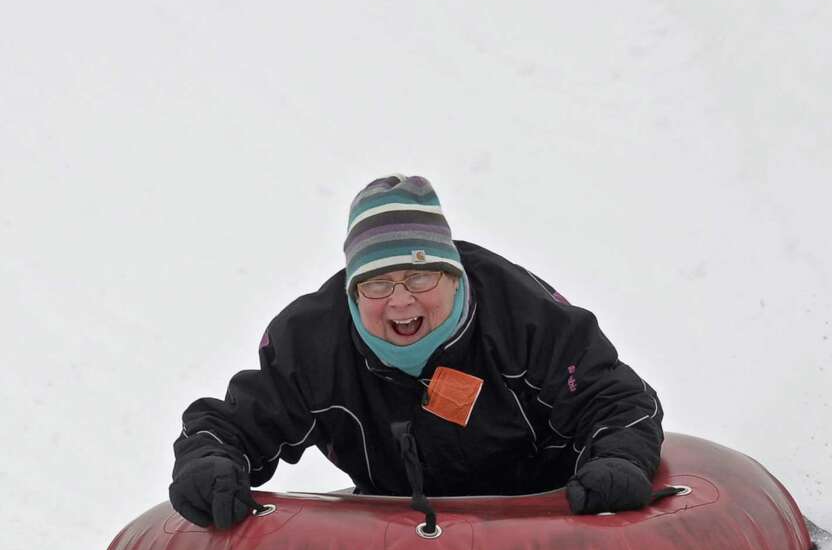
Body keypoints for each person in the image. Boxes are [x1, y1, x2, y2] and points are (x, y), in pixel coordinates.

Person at [169, 175, 665, 529]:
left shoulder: (523, 317)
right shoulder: (312, 345)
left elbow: (615, 401)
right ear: (352, 293)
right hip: (402, 530)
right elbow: (236, 423)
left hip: (549, 512)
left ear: (454, 276)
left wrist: (618, 463)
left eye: (420, 277)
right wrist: (208, 464)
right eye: (378, 284)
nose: (401, 301)